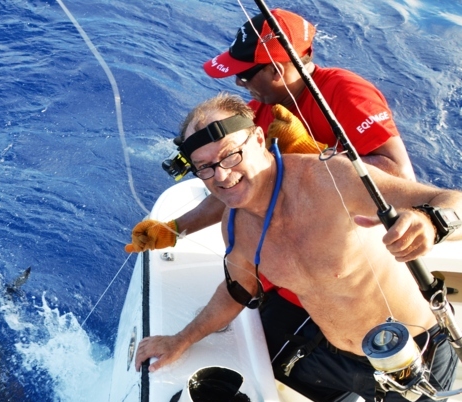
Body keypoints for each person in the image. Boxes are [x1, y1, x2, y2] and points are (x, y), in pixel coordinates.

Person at [134, 93, 461, 402]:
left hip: (411, 357)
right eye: (205, 168)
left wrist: (430, 221)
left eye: (230, 155)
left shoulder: (332, 178)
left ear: (258, 138)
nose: (221, 175)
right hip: (331, 354)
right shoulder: (236, 227)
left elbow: (450, 199)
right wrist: (181, 340)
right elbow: (237, 291)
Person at [126, 9, 415, 255]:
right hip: (299, 243)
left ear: (276, 70)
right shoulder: (260, 112)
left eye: (245, 74)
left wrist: (310, 153)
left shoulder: (346, 91)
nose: (238, 83)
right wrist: (174, 230)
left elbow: (400, 176)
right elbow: (234, 186)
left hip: (356, 251)